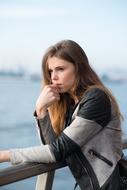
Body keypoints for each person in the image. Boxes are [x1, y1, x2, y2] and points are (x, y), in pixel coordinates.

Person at [0, 40, 123, 189]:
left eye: (60, 69)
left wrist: (4, 155)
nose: (53, 77)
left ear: (78, 68)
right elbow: (54, 147)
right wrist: (41, 110)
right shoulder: (71, 104)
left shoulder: (96, 98)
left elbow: (57, 151)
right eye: (51, 71)